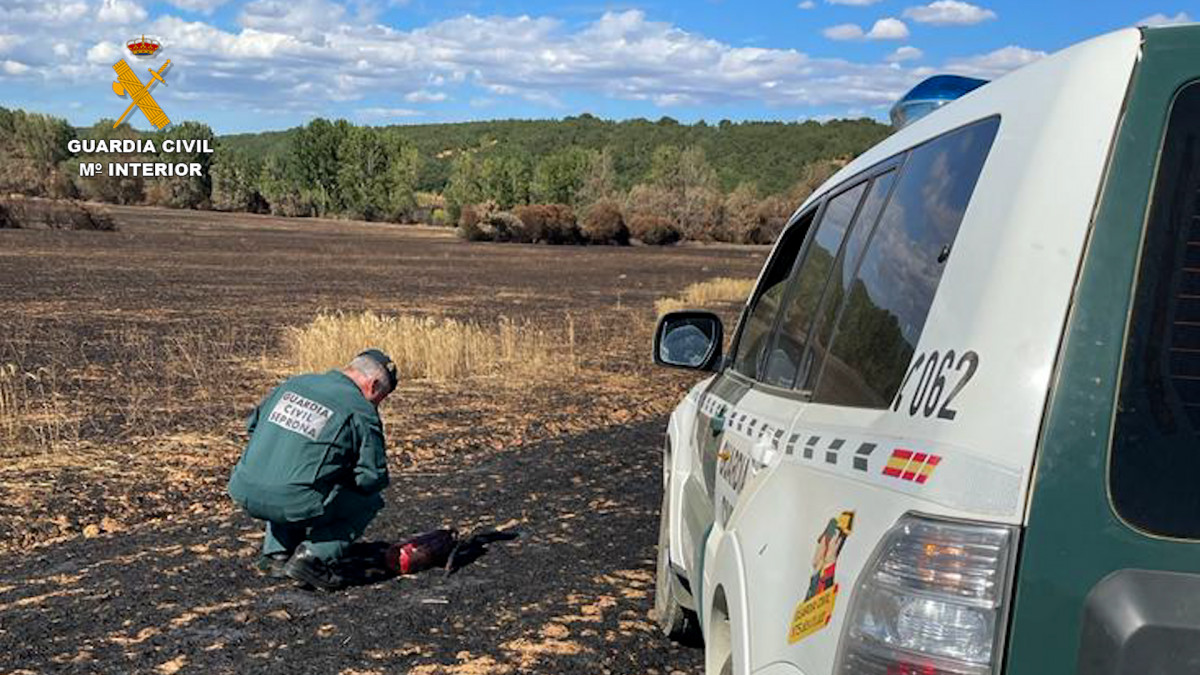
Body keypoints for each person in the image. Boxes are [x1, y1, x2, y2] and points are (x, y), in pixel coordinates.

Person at [228, 349, 398, 591]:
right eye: (381, 397)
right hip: (294, 501)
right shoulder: (361, 410)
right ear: (373, 386)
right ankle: (314, 557)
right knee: (369, 501)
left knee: (293, 469)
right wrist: (343, 475)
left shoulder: (294, 383)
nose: (378, 404)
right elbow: (372, 478)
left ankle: (276, 555)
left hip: (243, 488)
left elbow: (252, 426)